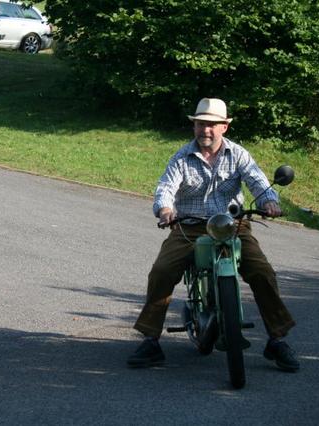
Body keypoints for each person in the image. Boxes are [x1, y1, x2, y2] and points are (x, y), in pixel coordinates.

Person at [127, 98, 300, 372]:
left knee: (263, 272)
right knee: (161, 271)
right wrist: (165, 209)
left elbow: (258, 181)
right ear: (194, 126)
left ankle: (277, 339)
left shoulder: (239, 155)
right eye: (200, 124)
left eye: (211, 125)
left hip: (232, 225)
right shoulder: (182, 158)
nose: (205, 130)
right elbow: (165, 187)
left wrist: (269, 201)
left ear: (224, 127)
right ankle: (150, 339)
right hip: (190, 226)